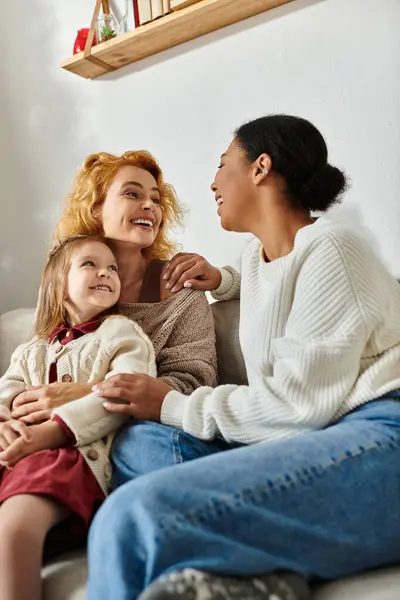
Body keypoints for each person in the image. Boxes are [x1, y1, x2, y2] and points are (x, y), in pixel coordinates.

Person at [86, 115, 400, 600]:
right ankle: (265, 575)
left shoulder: (335, 248)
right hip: (311, 435)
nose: (212, 182)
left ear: (260, 167)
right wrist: (222, 280)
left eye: (222, 164)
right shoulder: (259, 257)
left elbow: (298, 407)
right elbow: (277, 280)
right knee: (139, 444)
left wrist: (170, 402)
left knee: (130, 518)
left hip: (379, 434)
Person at [10, 151, 218, 487]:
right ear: (95, 208)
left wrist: (88, 394)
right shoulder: (65, 285)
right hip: (60, 441)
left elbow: (193, 387)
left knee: (138, 444)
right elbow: (31, 367)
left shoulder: (181, 289)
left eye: (155, 199)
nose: (150, 205)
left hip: (147, 433)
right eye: (132, 193)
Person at [0, 235, 156, 600]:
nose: (106, 272)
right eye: (91, 264)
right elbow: (4, 393)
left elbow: (126, 393)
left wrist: (51, 433)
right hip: (16, 455)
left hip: (70, 459)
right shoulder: (31, 349)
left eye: (112, 268)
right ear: (58, 284)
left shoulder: (122, 333)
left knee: (15, 529)